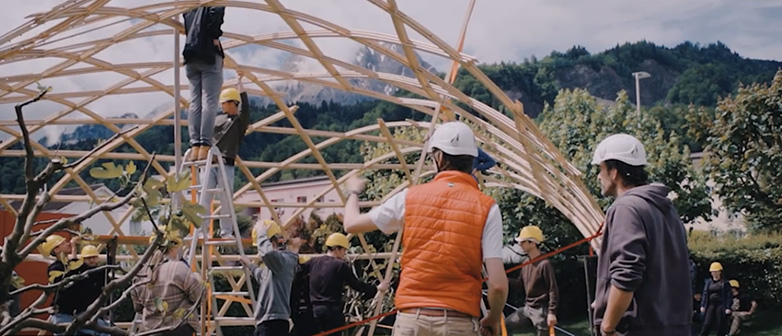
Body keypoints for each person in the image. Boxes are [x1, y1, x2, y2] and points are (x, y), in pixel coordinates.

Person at [342, 121, 508, 336]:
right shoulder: (487, 208)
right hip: (458, 321)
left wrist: (353, 193)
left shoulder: (409, 197)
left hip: (411, 319)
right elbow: (497, 285)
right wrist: (493, 317)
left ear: (438, 157)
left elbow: (352, 224)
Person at [590, 133, 692, 336]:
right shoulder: (666, 208)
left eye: (600, 169)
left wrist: (608, 326)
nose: (598, 177)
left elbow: (626, 274)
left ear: (614, 171)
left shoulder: (626, 208)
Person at [300, 233, 382, 335]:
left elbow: (299, 270)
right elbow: (356, 285)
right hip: (332, 312)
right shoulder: (340, 266)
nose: (344, 254)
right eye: (343, 250)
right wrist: (376, 288)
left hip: (315, 311)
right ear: (336, 249)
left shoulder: (313, 262)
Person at [131, 227, 205, 336]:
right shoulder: (180, 269)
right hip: (179, 329)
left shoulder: (140, 273)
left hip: (151, 331)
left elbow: (138, 307)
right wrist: (198, 279)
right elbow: (199, 298)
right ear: (174, 246)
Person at [203, 79, 251, 238]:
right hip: (211, 162)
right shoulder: (217, 119)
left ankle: (226, 231)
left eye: (224, 103)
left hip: (226, 163)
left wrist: (240, 85)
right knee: (205, 197)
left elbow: (246, 110)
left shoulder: (239, 122)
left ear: (232, 103)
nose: (222, 105)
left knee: (226, 199)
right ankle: (202, 230)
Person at [39, 235, 109, 336]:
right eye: (63, 243)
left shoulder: (71, 264)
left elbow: (78, 267)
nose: (67, 243)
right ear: (57, 249)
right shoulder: (55, 268)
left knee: (104, 332)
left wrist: (74, 248)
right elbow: (65, 279)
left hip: (79, 313)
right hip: (63, 315)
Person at [239, 219, 299, 336]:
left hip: (273, 323)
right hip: (267, 322)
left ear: (272, 243)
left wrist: (262, 233)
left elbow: (267, 254)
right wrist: (250, 264)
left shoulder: (282, 261)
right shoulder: (275, 267)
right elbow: (262, 276)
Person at [183, 5, 225, 161]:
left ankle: (195, 145)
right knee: (210, 101)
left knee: (195, 102)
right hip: (208, 55)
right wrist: (215, 35)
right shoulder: (210, 4)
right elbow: (218, 9)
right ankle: (204, 145)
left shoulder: (189, 6)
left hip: (191, 56)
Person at [506, 226, 558, 336]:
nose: (520, 244)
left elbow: (553, 290)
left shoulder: (545, 264)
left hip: (541, 310)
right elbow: (520, 284)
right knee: (505, 326)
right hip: (527, 308)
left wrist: (551, 313)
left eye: (523, 242)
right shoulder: (526, 262)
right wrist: (505, 280)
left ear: (533, 243)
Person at [699, 262, 732, 336]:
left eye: (715, 272)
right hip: (711, 304)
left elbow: (729, 296)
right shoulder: (708, 282)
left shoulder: (725, 283)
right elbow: (705, 294)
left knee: (720, 323)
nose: (714, 273)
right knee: (707, 323)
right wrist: (703, 305)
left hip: (720, 304)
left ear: (720, 272)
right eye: (712, 272)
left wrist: (728, 307)